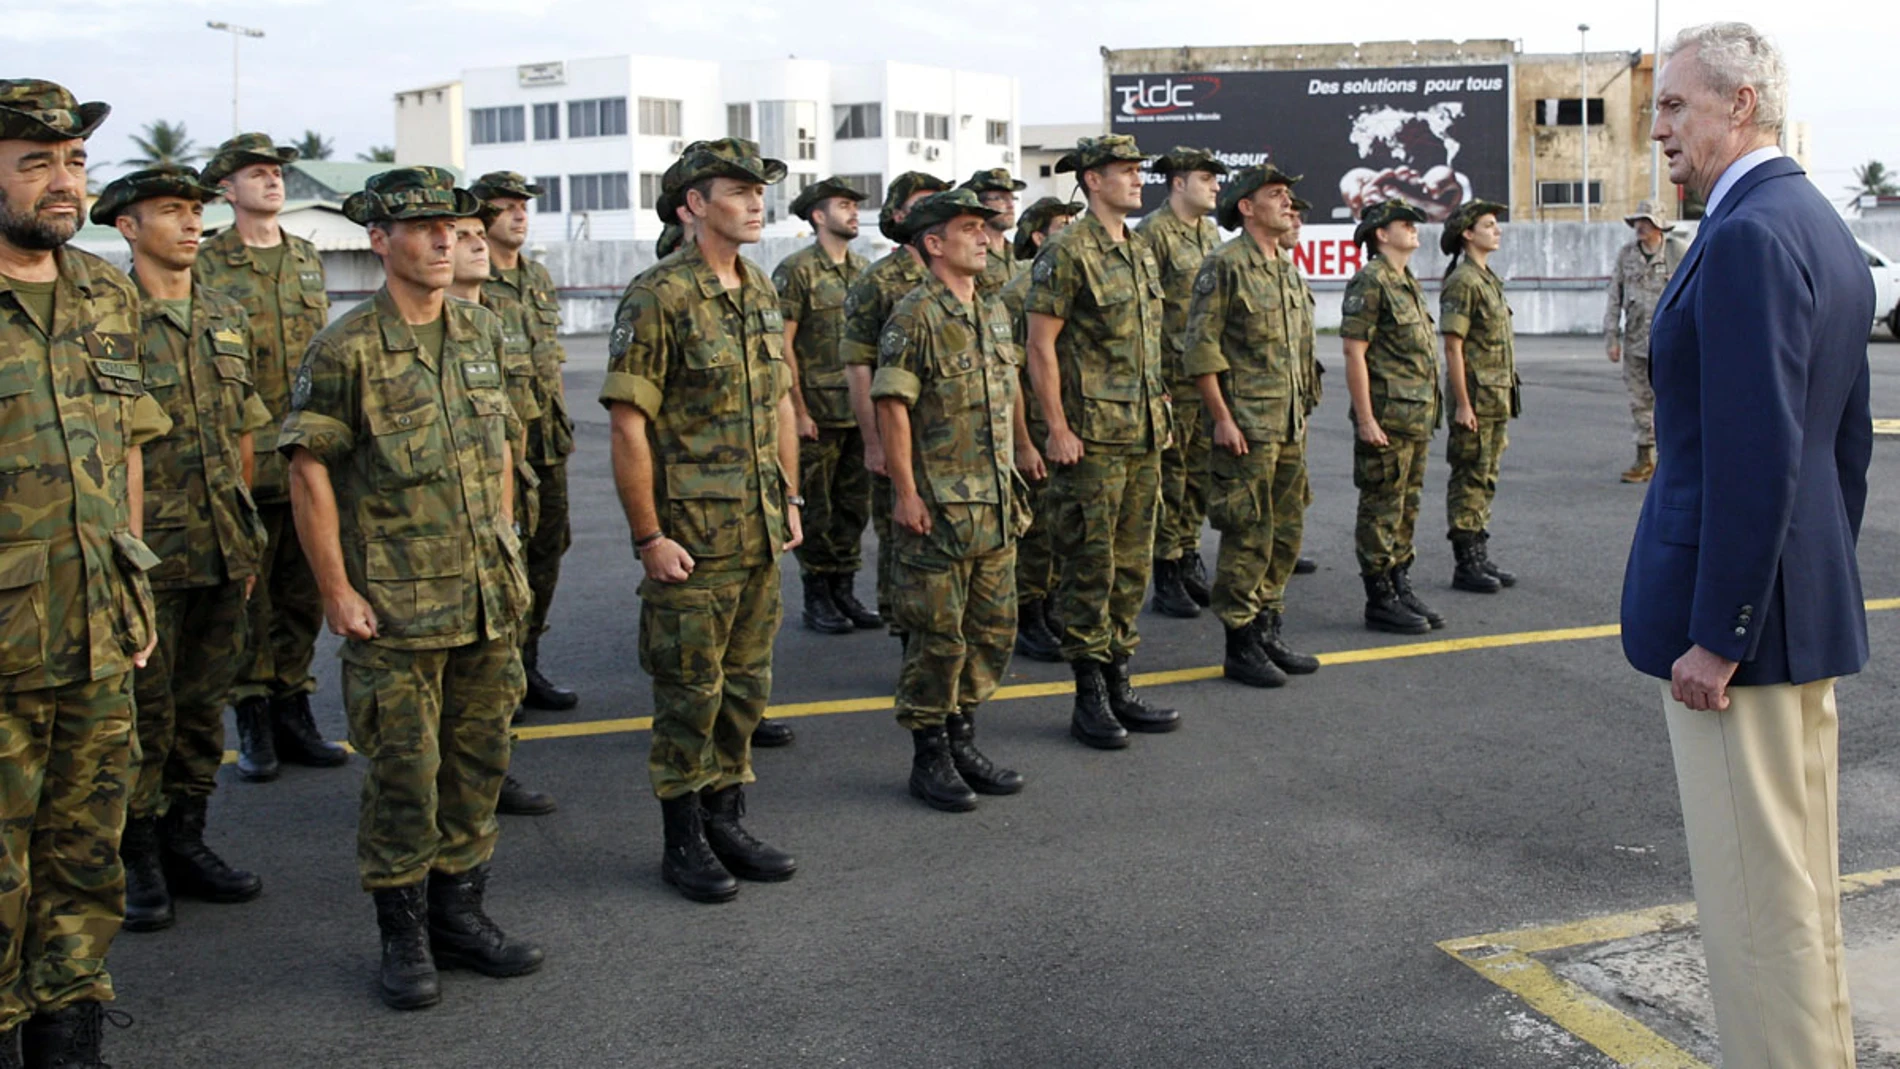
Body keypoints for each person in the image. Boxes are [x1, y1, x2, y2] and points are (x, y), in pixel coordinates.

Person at [1624, 23, 1874, 1069]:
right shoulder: (1813, 224)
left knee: (1752, 904)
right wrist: (1808, 582)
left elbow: (1755, 451)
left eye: (1675, 106)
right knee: (1796, 889)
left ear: (1741, 105)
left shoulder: (1745, 236)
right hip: (1793, 611)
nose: (1657, 129)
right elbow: (1843, 447)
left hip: (1742, 639)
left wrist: (1722, 632)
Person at [281, 167, 544, 1011]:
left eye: (453, 225)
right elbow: (309, 470)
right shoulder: (347, 346)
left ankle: (460, 915)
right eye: (423, 227)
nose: (442, 240)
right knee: (404, 771)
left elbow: (501, 443)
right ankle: (404, 935)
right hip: (394, 608)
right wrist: (334, 590)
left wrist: (502, 540)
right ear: (379, 241)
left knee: (476, 763)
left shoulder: (481, 331)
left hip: (483, 597)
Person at [0, 78, 169, 1067]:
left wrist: (131, 575)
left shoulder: (104, 290)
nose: (64, 183)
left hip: (99, 628)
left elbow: (129, 442)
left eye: (72, 162)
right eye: (35, 164)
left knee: (85, 852)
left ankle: (69, 1030)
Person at [602, 139, 803, 904]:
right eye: (737, 190)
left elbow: (780, 399)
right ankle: (682, 840)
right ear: (693, 205)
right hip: (691, 538)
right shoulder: (658, 296)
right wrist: (649, 537)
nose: (756, 202)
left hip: (754, 530)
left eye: (760, 191)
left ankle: (727, 818)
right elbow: (628, 425)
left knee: (746, 686)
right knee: (690, 691)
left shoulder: (756, 288)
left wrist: (789, 498)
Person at [94, 166, 273, 934]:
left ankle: (185, 840)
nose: (193, 223)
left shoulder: (224, 313)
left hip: (221, 548)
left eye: (196, 210)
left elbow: (243, 430)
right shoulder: (105, 316)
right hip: (150, 552)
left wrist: (245, 533)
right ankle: (137, 856)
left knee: (202, 711)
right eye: (171, 212)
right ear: (128, 227)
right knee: (142, 716)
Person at [873, 188, 1031, 811]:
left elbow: (1009, 385)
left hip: (993, 503)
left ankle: (963, 735)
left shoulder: (991, 311)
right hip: (938, 508)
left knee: (991, 632)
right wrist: (905, 492)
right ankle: (930, 753)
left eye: (986, 229)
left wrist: (1023, 446)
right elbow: (892, 405)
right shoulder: (914, 316)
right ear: (934, 243)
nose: (985, 238)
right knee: (937, 637)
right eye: (970, 228)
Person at [196, 132, 347, 780]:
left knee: (304, 589)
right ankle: (253, 711)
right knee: (248, 595)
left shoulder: (307, 257)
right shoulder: (209, 263)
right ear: (227, 189)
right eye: (257, 174)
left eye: (277, 172)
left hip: (305, 450)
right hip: (245, 452)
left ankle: (292, 703)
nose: (273, 181)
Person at [1024, 135, 1179, 749]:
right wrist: (1056, 427)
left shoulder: (1138, 250)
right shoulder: (1067, 251)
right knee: (1090, 564)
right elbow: (1039, 346)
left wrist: (1159, 396)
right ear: (1092, 180)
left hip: (1140, 433)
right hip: (1091, 439)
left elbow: (1143, 340)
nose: (1138, 180)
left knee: (1132, 564)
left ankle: (1119, 681)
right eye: (1124, 171)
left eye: (1139, 169)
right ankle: (1089, 695)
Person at [1182, 165, 1319, 690]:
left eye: (1289, 195)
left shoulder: (1284, 267)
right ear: (1246, 206)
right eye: (1276, 195)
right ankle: (1240, 642)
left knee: (1285, 531)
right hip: (1246, 426)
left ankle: (1269, 627)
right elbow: (1202, 349)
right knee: (1247, 533)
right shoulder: (1224, 265)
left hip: (1286, 425)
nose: (1288, 204)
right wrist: (1221, 418)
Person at [446, 209, 558, 818]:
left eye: (472, 235)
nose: (473, 246)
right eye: (463, 237)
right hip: (432, 535)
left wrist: (508, 517)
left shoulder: (491, 326)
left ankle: (493, 768)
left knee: (496, 662)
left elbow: (506, 433)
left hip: (499, 516)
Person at [470, 172, 580, 714]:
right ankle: (501, 674)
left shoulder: (536, 277)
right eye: (505, 206)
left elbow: (550, 359)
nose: (518, 214)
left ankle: (528, 659)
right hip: (498, 449)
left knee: (547, 552)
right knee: (501, 558)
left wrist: (561, 423)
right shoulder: (468, 279)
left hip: (545, 442)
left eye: (522, 206)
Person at [841, 171, 950, 641]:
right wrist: (873, 442)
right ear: (900, 215)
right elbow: (859, 367)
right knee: (901, 534)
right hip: (898, 428)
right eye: (925, 202)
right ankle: (905, 627)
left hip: (949, 436)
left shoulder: (956, 271)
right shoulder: (880, 281)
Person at [773, 177, 874, 635]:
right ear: (818, 215)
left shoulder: (862, 271)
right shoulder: (797, 271)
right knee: (817, 508)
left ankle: (843, 590)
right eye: (844, 205)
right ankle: (818, 596)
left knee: (853, 506)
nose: (853, 213)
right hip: (818, 412)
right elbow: (784, 345)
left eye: (854, 206)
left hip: (857, 410)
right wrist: (798, 410)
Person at [1339, 199, 1444, 634]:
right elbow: (1353, 350)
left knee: (1406, 504)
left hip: (1415, 416)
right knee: (1381, 505)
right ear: (1381, 234)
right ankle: (1379, 595)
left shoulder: (1405, 281)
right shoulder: (1371, 281)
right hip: (1386, 416)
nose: (1414, 229)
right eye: (1405, 224)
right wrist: (1365, 418)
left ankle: (1400, 581)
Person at [1137, 147, 1226, 620]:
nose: (1215, 186)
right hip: (1171, 378)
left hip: (1203, 376)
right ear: (1178, 182)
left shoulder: (1209, 232)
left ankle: (1188, 553)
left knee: (1198, 476)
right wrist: (1154, 382)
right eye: (1206, 177)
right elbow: (1145, 315)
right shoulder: (1153, 235)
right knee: (1169, 479)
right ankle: (1167, 571)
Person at [999, 197, 1078, 664]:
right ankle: (1030, 613)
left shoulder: (1075, 279)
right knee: (1036, 526)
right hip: (1032, 421)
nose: (1074, 233)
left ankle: (1051, 605)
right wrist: (1025, 442)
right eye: (1063, 227)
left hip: (1071, 421)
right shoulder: (1017, 293)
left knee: (1062, 525)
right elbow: (1010, 373)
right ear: (1039, 238)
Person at [1436, 198, 1519, 595]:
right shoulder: (1464, 281)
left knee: (1485, 475)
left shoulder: (1486, 278)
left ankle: (1479, 552)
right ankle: (1465, 561)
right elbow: (1453, 346)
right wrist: (1463, 404)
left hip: (1495, 397)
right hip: (1476, 399)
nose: (1496, 229)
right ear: (1467, 234)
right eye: (1488, 224)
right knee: (1469, 475)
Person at [1603, 199, 1687, 484]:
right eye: (1639, 221)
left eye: (1647, 222)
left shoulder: (1677, 253)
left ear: (1659, 226)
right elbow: (1615, 296)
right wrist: (1611, 337)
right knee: (1640, 401)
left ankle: (1672, 459)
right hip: (1636, 343)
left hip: (1670, 344)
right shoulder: (1626, 255)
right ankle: (1644, 458)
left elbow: (1693, 295)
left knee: (1672, 402)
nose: (1641, 226)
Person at [1281, 196, 1320, 578]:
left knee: (1294, 484)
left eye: (1298, 217)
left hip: (1294, 399)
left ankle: (1285, 546)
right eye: (1289, 215)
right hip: (1261, 405)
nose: (1296, 223)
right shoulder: (1236, 267)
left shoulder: (1291, 272)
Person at [959, 167, 1026, 298]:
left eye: (1012, 198)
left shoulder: (1020, 255)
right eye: (1000, 198)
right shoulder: (969, 256)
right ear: (980, 205)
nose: (1010, 205)